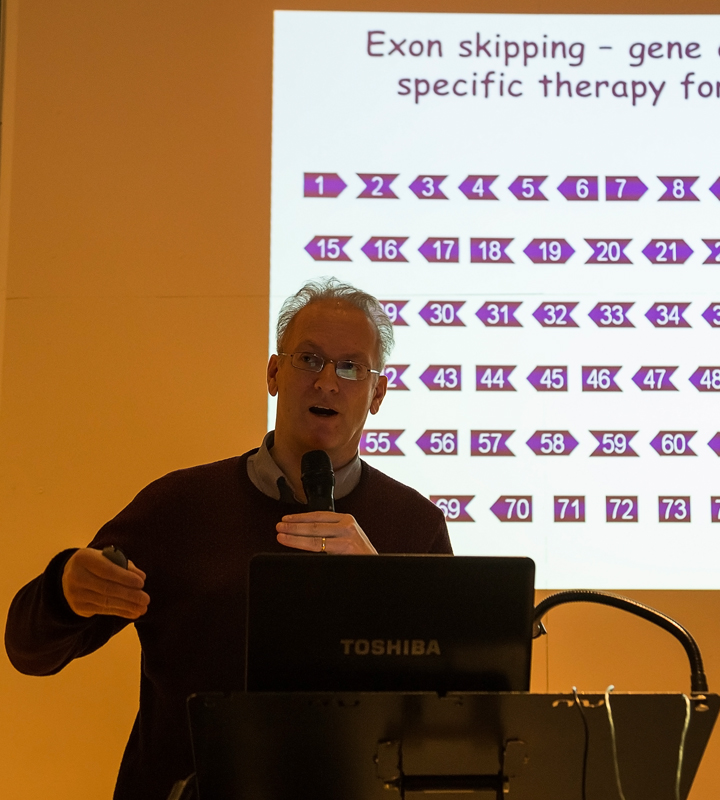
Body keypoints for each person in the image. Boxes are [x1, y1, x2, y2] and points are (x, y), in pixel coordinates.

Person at [5, 278, 452, 800]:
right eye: (309, 359)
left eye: (351, 367)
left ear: (377, 394)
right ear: (274, 374)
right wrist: (63, 590)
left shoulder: (415, 525)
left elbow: (449, 711)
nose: (328, 382)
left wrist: (380, 589)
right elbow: (29, 651)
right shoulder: (180, 505)